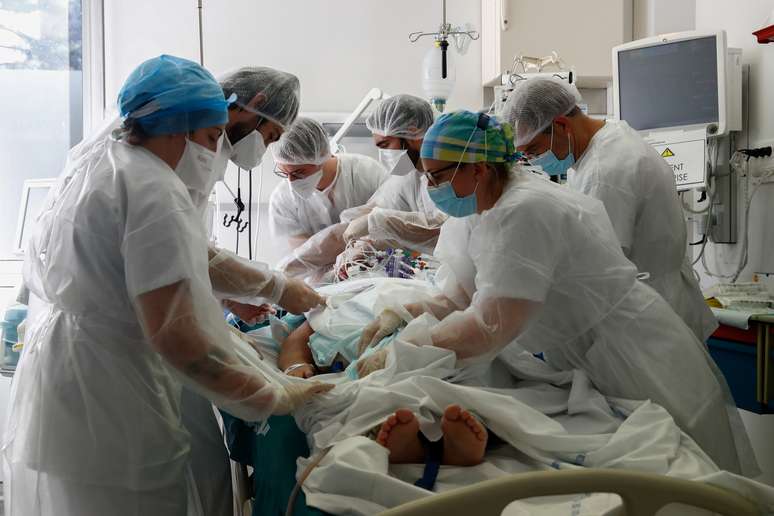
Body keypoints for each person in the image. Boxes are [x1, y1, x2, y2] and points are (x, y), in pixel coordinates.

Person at [2, 55, 331, 516]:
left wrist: (267, 289)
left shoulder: (114, 164)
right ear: (182, 127)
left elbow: (169, 260)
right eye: (212, 136)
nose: (215, 153)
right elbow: (174, 331)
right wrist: (269, 394)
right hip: (114, 384)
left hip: (71, 374)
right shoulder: (155, 189)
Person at [356, 110, 757, 477]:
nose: (431, 187)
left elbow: (490, 326)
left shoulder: (525, 210)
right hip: (581, 350)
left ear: (476, 168)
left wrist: (413, 347)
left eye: (438, 177)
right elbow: (459, 295)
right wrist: (403, 315)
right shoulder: (478, 211)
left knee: (684, 470)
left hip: (631, 350)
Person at [502, 78, 717, 343]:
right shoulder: (611, 139)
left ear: (560, 126)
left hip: (645, 323)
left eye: (533, 150)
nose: (534, 160)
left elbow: (598, 268)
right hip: (655, 304)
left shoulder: (606, 170)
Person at [342, 94, 447, 254]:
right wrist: (369, 245)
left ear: (412, 132)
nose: (383, 153)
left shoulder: (451, 167)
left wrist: (377, 221)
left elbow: (444, 230)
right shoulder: (411, 168)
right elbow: (387, 205)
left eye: (385, 144)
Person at [268, 117, 388, 249]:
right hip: (316, 269)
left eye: (298, 172)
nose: (291, 182)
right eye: (284, 173)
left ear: (321, 156)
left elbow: (390, 222)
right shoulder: (282, 199)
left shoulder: (367, 173)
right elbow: (298, 253)